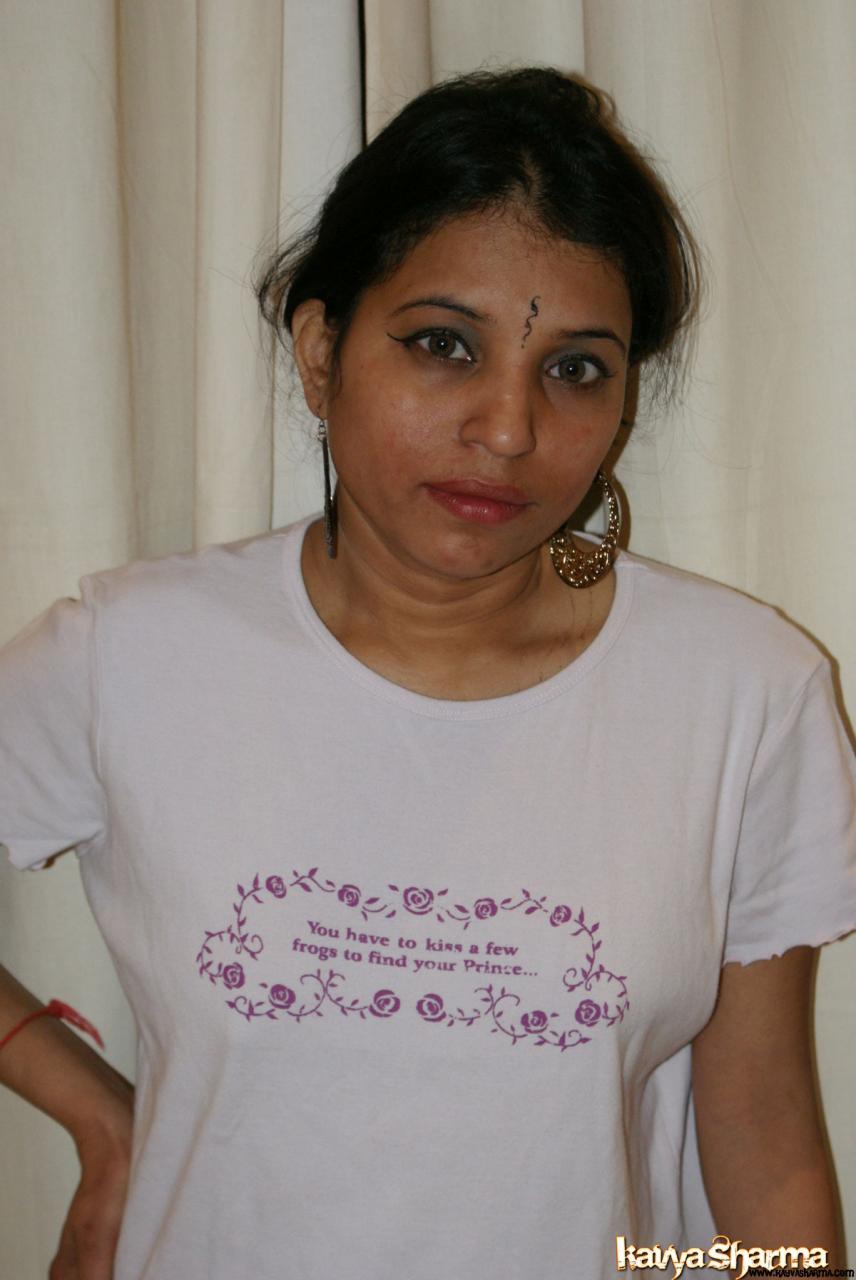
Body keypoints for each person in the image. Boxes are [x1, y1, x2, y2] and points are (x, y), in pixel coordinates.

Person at [1, 65, 855, 1280]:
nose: (507, 428)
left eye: (574, 367)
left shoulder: (744, 691)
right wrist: (96, 1113)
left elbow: (764, 1143)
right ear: (320, 351)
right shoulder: (129, 654)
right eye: (442, 345)